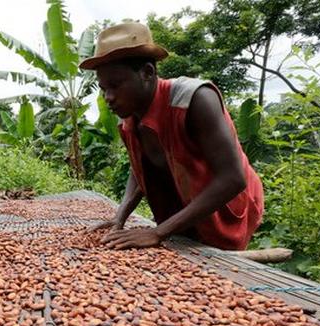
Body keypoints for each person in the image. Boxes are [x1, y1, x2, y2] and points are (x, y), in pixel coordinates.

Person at [82, 22, 263, 250]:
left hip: (228, 205)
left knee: (219, 263)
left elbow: (233, 179)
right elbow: (139, 168)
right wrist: (120, 217)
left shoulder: (195, 100)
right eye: (103, 88)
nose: (108, 97)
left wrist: (158, 232)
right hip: (185, 200)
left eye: (115, 85)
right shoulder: (128, 118)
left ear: (148, 73)